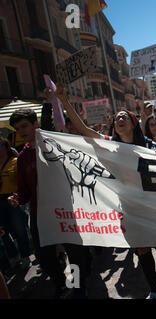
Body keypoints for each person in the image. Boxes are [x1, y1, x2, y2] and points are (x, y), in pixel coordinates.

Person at [55, 85, 156, 299]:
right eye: (116, 118)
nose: (119, 119)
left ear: (133, 123)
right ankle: (155, 290)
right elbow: (84, 130)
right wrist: (64, 101)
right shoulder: (109, 146)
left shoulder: (148, 146)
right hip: (128, 207)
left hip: (151, 205)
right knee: (141, 250)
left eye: (124, 116)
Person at [7, 106, 91, 299]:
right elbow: (25, 192)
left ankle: (78, 286)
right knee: (44, 256)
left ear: (36, 123)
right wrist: (17, 198)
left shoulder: (57, 145)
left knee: (75, 253)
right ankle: (60, 284)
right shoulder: (22, 158)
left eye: (24, 126)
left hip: (66, 208)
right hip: (40, 213)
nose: (21, 132)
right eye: (17, 129)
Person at [0, 136, 32, 270]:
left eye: (0, 145)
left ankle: (25, 255)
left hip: (13, 198)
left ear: (6, 147)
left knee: (19, 229)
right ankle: (13, 255)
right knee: (2, 231)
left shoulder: (15, 161)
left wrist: (20, 196)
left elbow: (23, 180)